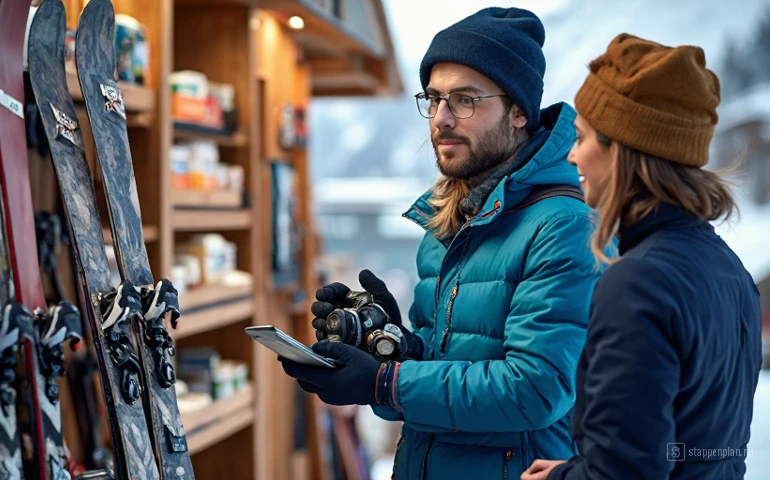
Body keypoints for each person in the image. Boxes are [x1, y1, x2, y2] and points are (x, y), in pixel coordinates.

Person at [279, 7, 606, 479]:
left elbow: (535, 390)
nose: (441, 118)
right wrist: (388, 345)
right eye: (433, 99)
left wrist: (384, 382)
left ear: (518, 112)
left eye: (465, 100)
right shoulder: (447, 223)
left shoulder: (564, 226)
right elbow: (433, 387)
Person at [522, 33, 764, 480]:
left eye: (582, 138)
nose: (573, 155)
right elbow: (693, 447)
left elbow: (626, 472)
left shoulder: (638, 282)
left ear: (623, 150)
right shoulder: (729, 270)